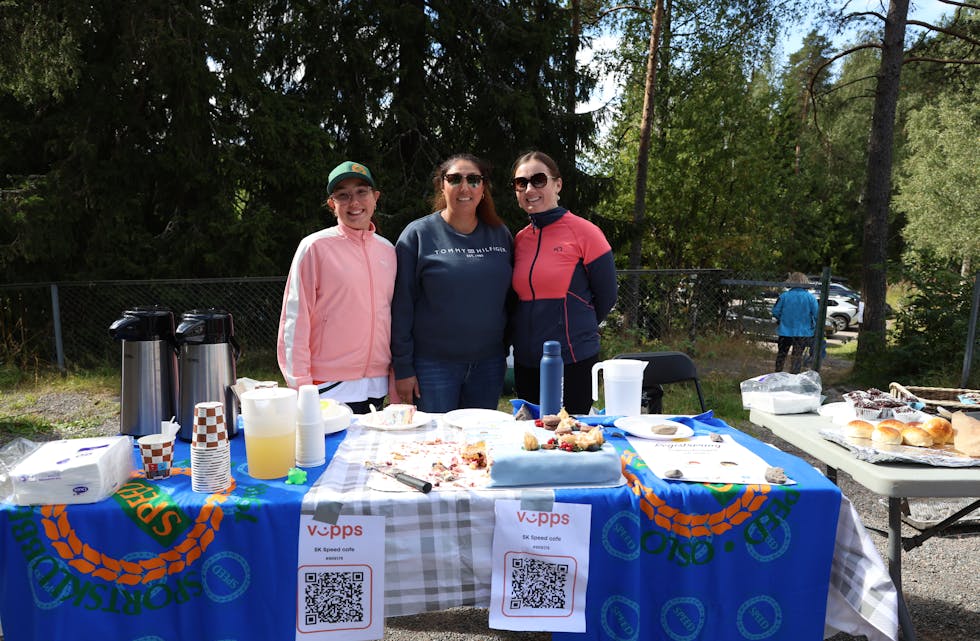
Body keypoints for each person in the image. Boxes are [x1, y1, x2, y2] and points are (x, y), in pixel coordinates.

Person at [390, 153, 514, 413]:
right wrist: (403, 368)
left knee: (480, 447)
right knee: (436, 445)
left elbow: (511, 299)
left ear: (483, 188)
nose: (464, 187)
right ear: (441, 186)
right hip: (433, 367)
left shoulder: (500, 234)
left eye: (473, 179)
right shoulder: (418, 235)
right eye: (455, 179)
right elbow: (401, 306)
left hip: (488, 365)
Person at [277, 161, 396, 414]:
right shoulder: (314, 247)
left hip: (377, 385)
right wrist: (301, 387)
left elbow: (394, 318)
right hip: (329, 386)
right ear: (332, 205)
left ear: (375, 198)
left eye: (362, 192)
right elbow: (295, 320)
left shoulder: (389, 250)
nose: (354, 203)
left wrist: (394, 379)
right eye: (343, 195)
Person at [509, 151, 618, 415]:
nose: (529, 188)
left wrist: (576, 328)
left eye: (538, 180)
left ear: (557, 184)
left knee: (571, 441)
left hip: (572, 359)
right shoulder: (520, 239)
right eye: (521, 183)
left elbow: (607, 296)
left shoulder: (585, 232)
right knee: (533, 440)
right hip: (527, 361)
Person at [771, 271, 819, 374]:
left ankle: (778, 374)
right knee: (797, 356)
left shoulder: (784, 296)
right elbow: (817, 315)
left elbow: (775, 312)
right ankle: (794, 376)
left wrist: (782, 319)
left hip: (785, 331)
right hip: (803, 332)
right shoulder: (810, 298)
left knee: (781, 354)